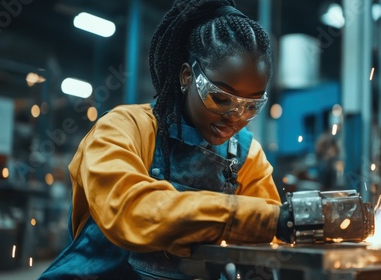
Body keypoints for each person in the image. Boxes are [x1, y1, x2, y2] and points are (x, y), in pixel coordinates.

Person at [39, 0, 293, 279]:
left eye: (250, 106)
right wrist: (262, 219)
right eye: (220, 98)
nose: (234, 117)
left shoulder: (247, 155)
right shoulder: (121, 129)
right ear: (187, 76)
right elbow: (130, 212)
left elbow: (266, 245)